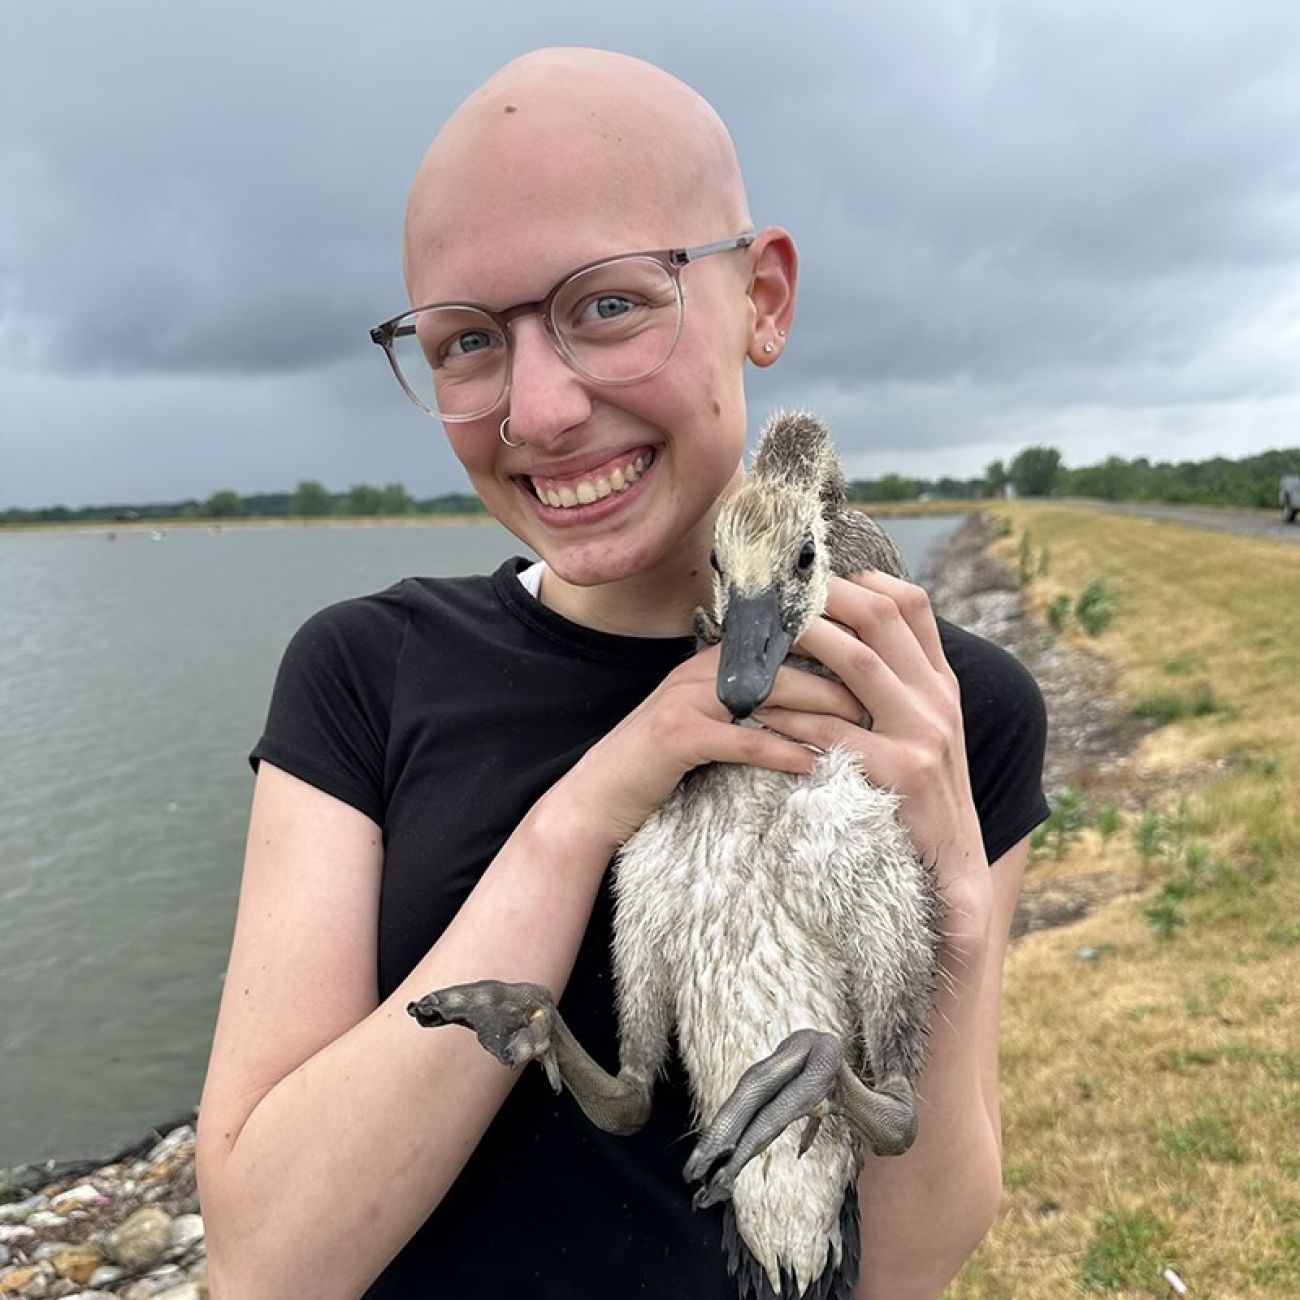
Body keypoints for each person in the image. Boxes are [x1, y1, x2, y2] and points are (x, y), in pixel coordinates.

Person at [195, 47, 1048, 1300]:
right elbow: (268, 1264)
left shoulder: (948, 708)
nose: (534, 412)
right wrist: (594, 803)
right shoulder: (360, 676)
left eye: (607, 304)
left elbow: (903, 1271)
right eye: (467, 340)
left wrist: (953, 911)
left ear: (761, 297)